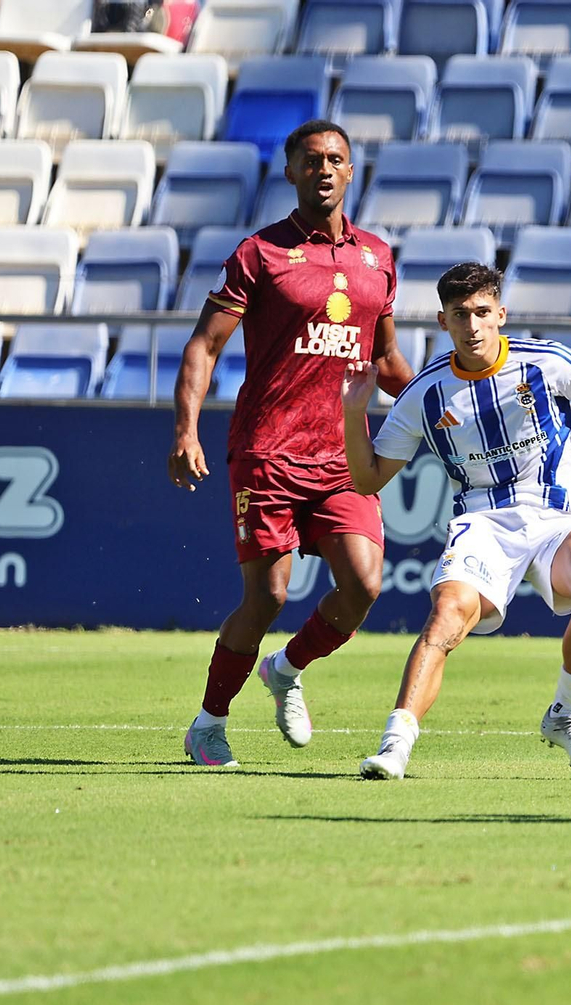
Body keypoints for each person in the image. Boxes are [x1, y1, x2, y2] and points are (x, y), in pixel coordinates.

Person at [169, 120, 415, 768]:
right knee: (269, 595)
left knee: (363, 584)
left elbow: (386, 358)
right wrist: (185, 428)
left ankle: (287, 668)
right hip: (268, 449)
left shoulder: (377, 259)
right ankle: (208, 723)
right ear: (290, 172)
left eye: (336, 159)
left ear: (353, 170)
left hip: (342, 456)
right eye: (311, 160)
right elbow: (205, 344)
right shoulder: (261, 253)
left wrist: (436, 404)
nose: (324, 169)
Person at [342, 262, 571, 780]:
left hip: (556, 512)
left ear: (501, 314)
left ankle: (566, 717)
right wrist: (353, 413)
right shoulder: (425, 394)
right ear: (443, 321)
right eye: (461, 315)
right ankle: (395, 745)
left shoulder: (545, 362)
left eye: (483, 313)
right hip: (481, 520)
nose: (474, 325)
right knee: (447, 614)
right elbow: (368, 480)